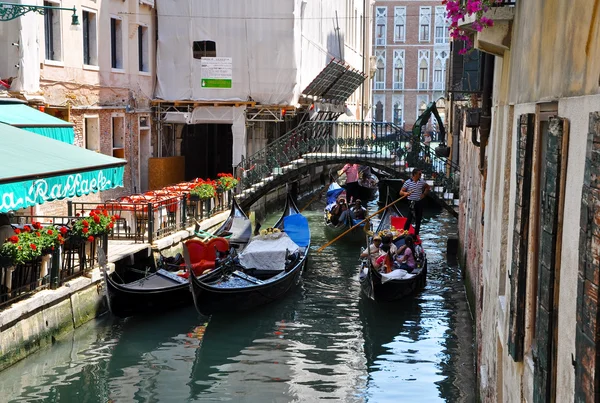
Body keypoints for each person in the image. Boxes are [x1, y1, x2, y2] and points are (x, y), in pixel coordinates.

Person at [399, 168, 430, 236]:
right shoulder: (408, 182)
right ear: (415, 174)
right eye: (419, 174)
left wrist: (424, 194)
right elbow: (401, 192)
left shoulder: (421, 181)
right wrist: (405, 193)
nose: (420, 175)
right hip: (411, 202)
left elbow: (428, 187)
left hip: (419, 202)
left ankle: (416, 235)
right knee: (409, 218)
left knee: (418, 219)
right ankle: (405, 233)